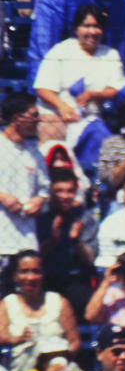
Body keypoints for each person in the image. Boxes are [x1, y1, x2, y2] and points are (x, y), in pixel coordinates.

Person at [32, 4, 123, 159]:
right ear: (76, 29)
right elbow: (42, 88)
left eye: (97, 26)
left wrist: (92, 95)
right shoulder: (60, 50)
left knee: (100, 136)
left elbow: (114, 89)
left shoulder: (110, 54)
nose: (92, 32)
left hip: (90, 118)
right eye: (86, 26)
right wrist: (63, 107)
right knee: (54, 145)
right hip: (56, 116)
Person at [0, 250, 81, 371]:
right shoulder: (7, 304)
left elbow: (74, 341)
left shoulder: (59, 302)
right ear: (15, 276)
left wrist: (60, 362)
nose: (30, 277)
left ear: (43, 275)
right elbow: (1, 336)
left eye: (36, 271)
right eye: (24, 271)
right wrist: (15, 339)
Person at [36, 169, 98, 315]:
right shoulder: (39, 217)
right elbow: (33, 257)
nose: (65, 196)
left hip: (75, 279)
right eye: (59, 191)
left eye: (70, 191)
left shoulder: (84, 217)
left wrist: (76, 241)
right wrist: (52, 240)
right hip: (45, 278)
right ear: (50, 192)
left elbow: (90, 260)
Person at [0, 93, 48, 269]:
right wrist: (2, 196)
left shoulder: (34, 153)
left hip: (26, 241)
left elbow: (45, 189)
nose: (39, 119)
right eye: (34, 115)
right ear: (17, 118)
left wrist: (40, 200)